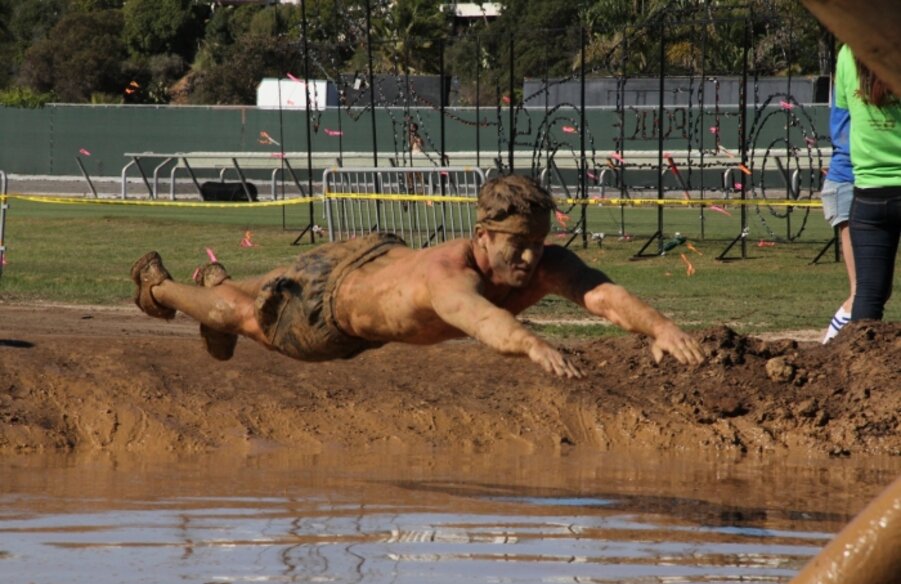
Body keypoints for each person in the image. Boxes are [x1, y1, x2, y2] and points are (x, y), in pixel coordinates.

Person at [131, 175, 705, 378]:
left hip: (370, 256)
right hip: (329, 315)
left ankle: (214, 288)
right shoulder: (449, 276)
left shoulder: (545, 264)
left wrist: (659, 328)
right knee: (241, 315)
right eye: (516, 246)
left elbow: (604, 294)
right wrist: (534, 346)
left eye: (537, 244)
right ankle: (157, 287)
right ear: (482, 236)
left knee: (254, 295)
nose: (529, 259)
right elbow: (483, 320)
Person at [834, 44, 901, 322]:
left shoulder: (848, 54)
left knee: (868, 295)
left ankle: (860, 363)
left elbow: (842, 120)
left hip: (869, 197)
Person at [820, 88, 856, 343]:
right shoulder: (854, 65)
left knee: (872, 290)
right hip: (851, 183)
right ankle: (829, 350)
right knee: (864, 291)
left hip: (859, 184)